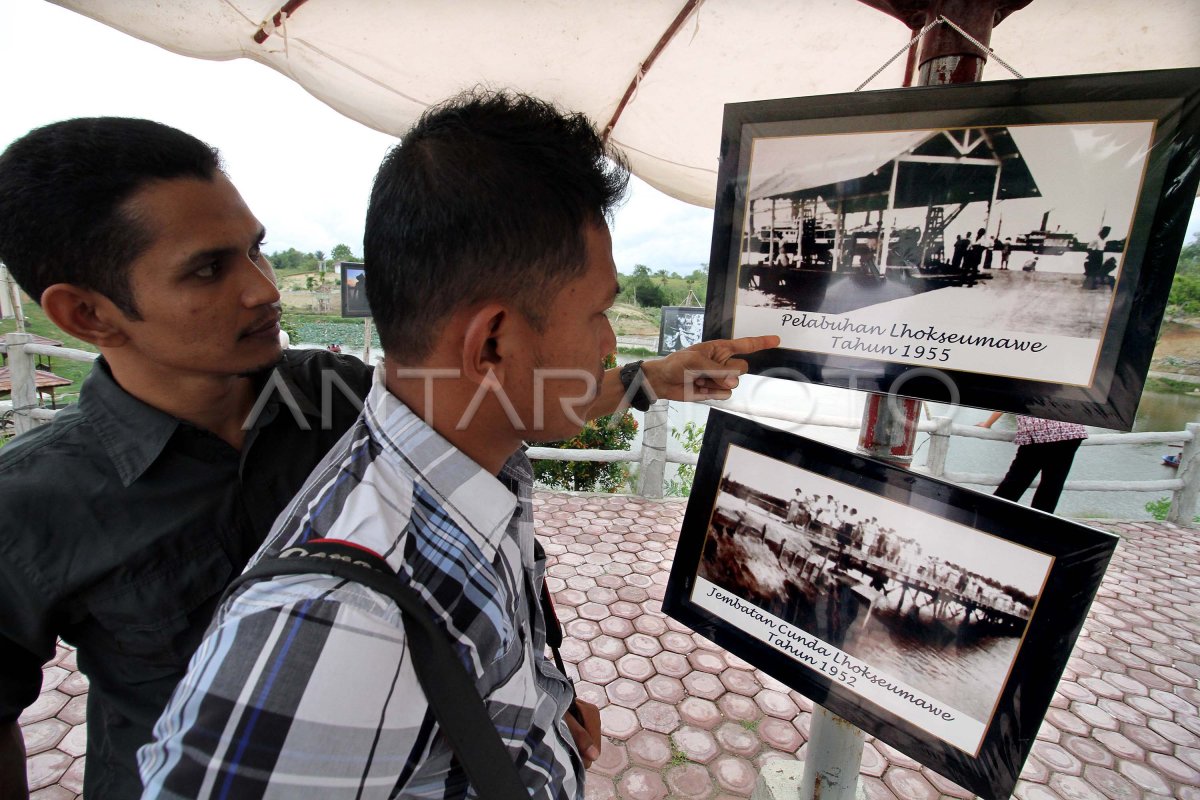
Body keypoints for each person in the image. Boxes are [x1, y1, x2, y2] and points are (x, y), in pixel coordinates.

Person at [0, 117, 774, 798]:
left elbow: (497, 396)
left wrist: (532, 697)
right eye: (209, 269)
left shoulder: (337, 394)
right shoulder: (34, 504)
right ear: (86, 312)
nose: (263, 289)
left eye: (258, 250)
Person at [978, 412, 1088, 513]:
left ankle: (991, 515)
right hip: (1071, 432)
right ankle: (1038, 524)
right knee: (1052, 484)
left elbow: (1004, 402)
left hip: (1039, 431)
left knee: (1016, 480)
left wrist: (987, 424)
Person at [1083, 225, 1111, 289]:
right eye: (1105, 232)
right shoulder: (1096, 239)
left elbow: (1102, 249)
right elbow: (1088, 248)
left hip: (1100, 255)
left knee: (1097, 270)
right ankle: (1088, 285)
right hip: (1095, 255)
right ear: (1102, 232)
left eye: (1107, 233)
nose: (1106, 234)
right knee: (1092, 270)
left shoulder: (1103, 240)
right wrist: (1092, 255)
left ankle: (1092, 284)